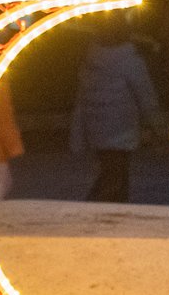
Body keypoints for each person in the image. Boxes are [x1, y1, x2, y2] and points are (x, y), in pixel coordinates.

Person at [69, 11, 163, 203]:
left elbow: (82, 97)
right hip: (122, 128)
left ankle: (101, 206)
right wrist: (159, 127)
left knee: (108, 172)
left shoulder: (91, 59)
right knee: (117, 176)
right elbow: (146, 96)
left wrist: (77, 135)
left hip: (95, 127)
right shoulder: (130, 60)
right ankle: (108, 213)